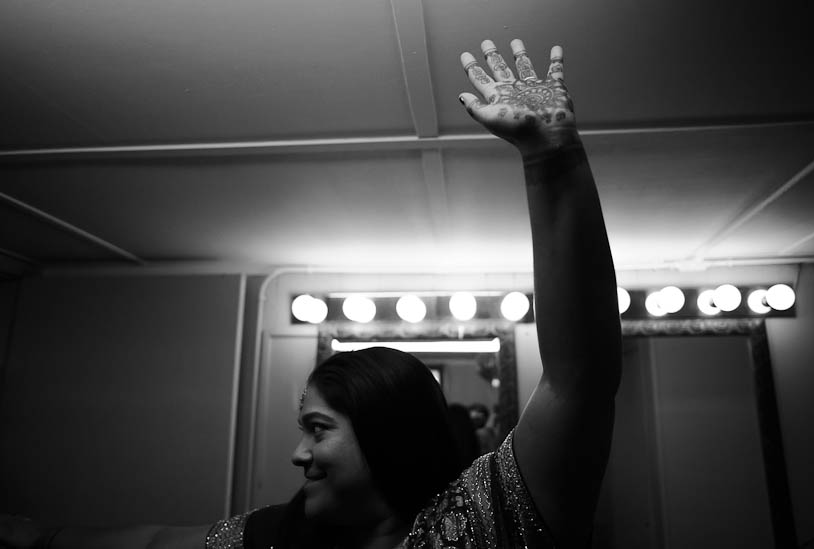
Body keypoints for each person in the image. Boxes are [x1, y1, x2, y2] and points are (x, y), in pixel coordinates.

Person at [0, 36, 621, 549]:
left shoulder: (486, 522)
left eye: (318, 429)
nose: (299, 455)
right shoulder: (284, 536)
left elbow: (580, 377)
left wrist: (552, 161)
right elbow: (159, 541)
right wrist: (35, 537)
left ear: (387, 437)